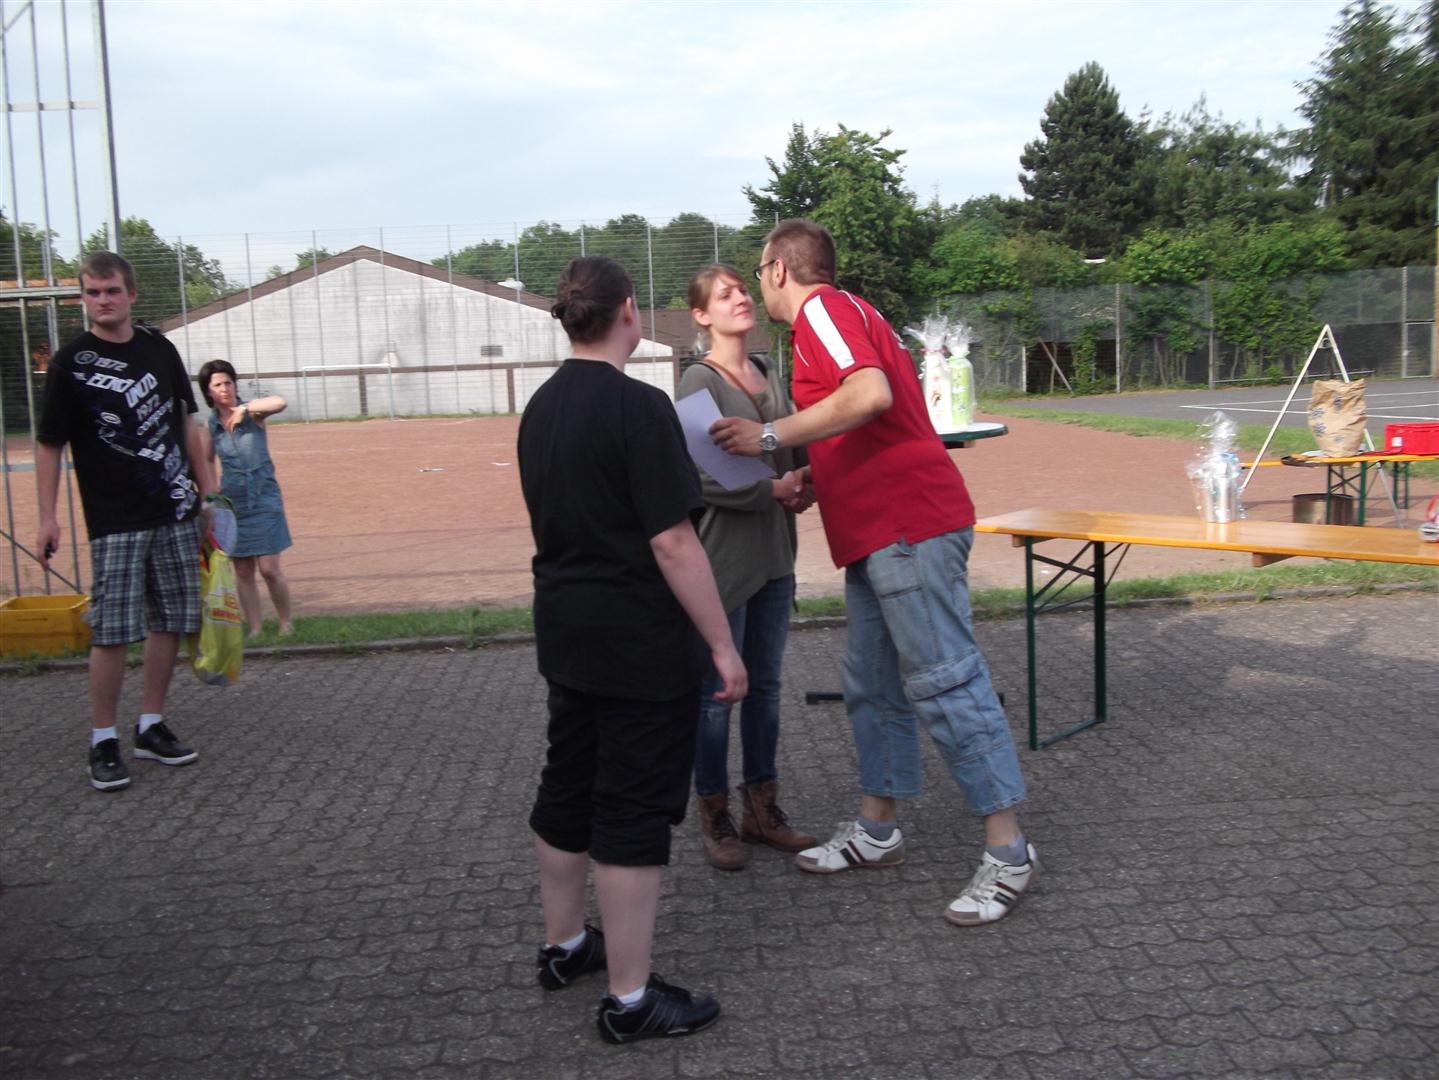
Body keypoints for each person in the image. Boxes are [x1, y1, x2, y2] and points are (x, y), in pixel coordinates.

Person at [711, 220, 1039, 927]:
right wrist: (817, 474)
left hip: (907, 529)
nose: (759, 286)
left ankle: (1009, 851)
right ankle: (877, 829)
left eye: (759, 272)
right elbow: (865, 423)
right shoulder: (852, 312)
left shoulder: (823, 313)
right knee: (872, 684)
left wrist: (768, 436)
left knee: (946, 682)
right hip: (878, 534)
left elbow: (868, 396)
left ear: (778, 270)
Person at [517, 255, 747, 1044]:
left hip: (566, 631)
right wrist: (722, 646)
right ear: (625, 312)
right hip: (637, 642)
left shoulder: (540, 406)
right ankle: (629, 998)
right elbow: (673, 541)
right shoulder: (638, 407)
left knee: (567, 784)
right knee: (632, 808)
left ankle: (563, 946)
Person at [36, 251, 214, 792]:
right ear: (82, 298)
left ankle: (150, 724)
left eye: (112, 290)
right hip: (115, 519)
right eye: (92, 292)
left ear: (131, 294)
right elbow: (49, 444)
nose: (103, 300)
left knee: (171, 620)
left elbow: (188, 422)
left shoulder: (159, 348)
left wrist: (209, 495)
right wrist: (47, 517)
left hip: (175, 507)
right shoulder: (70, 364)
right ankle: (103, 739)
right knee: (112, 631)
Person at [678, 264, 817, 870]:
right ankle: (714, 813)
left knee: (765, 688)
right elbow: (700, 475)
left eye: (741, 289)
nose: (740, 298)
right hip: (724, 563)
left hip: (776, 556)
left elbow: (795, 445)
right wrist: (773, 491)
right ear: (701, 315)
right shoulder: (696, 379)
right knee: (718, 695)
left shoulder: (769, 371)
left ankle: (762, 808)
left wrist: (806, 479)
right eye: (724, 294)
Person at [196, 359, 295, 636]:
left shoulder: (253, 414)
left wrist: (244, 409)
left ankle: (286, 622)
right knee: (242, 571)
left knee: (269, 568)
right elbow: (205, 460)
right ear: (208, 392)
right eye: (218, 384)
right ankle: (255, 627)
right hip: (234, 502)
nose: (225, 388)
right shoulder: (211, 425)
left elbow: (280, 402)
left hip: (264, 496)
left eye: (228, 382)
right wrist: (212, 494)